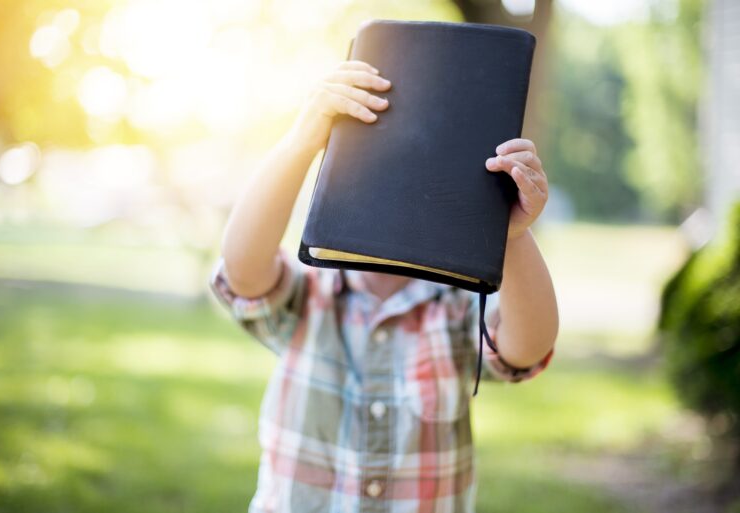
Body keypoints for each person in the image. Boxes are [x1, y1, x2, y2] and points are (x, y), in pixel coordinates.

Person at [210, 59, 559, 513]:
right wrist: (302, 142)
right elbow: (243, 269)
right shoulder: (311, 294)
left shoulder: (454, 307)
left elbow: (526, 346)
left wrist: (509, 233)